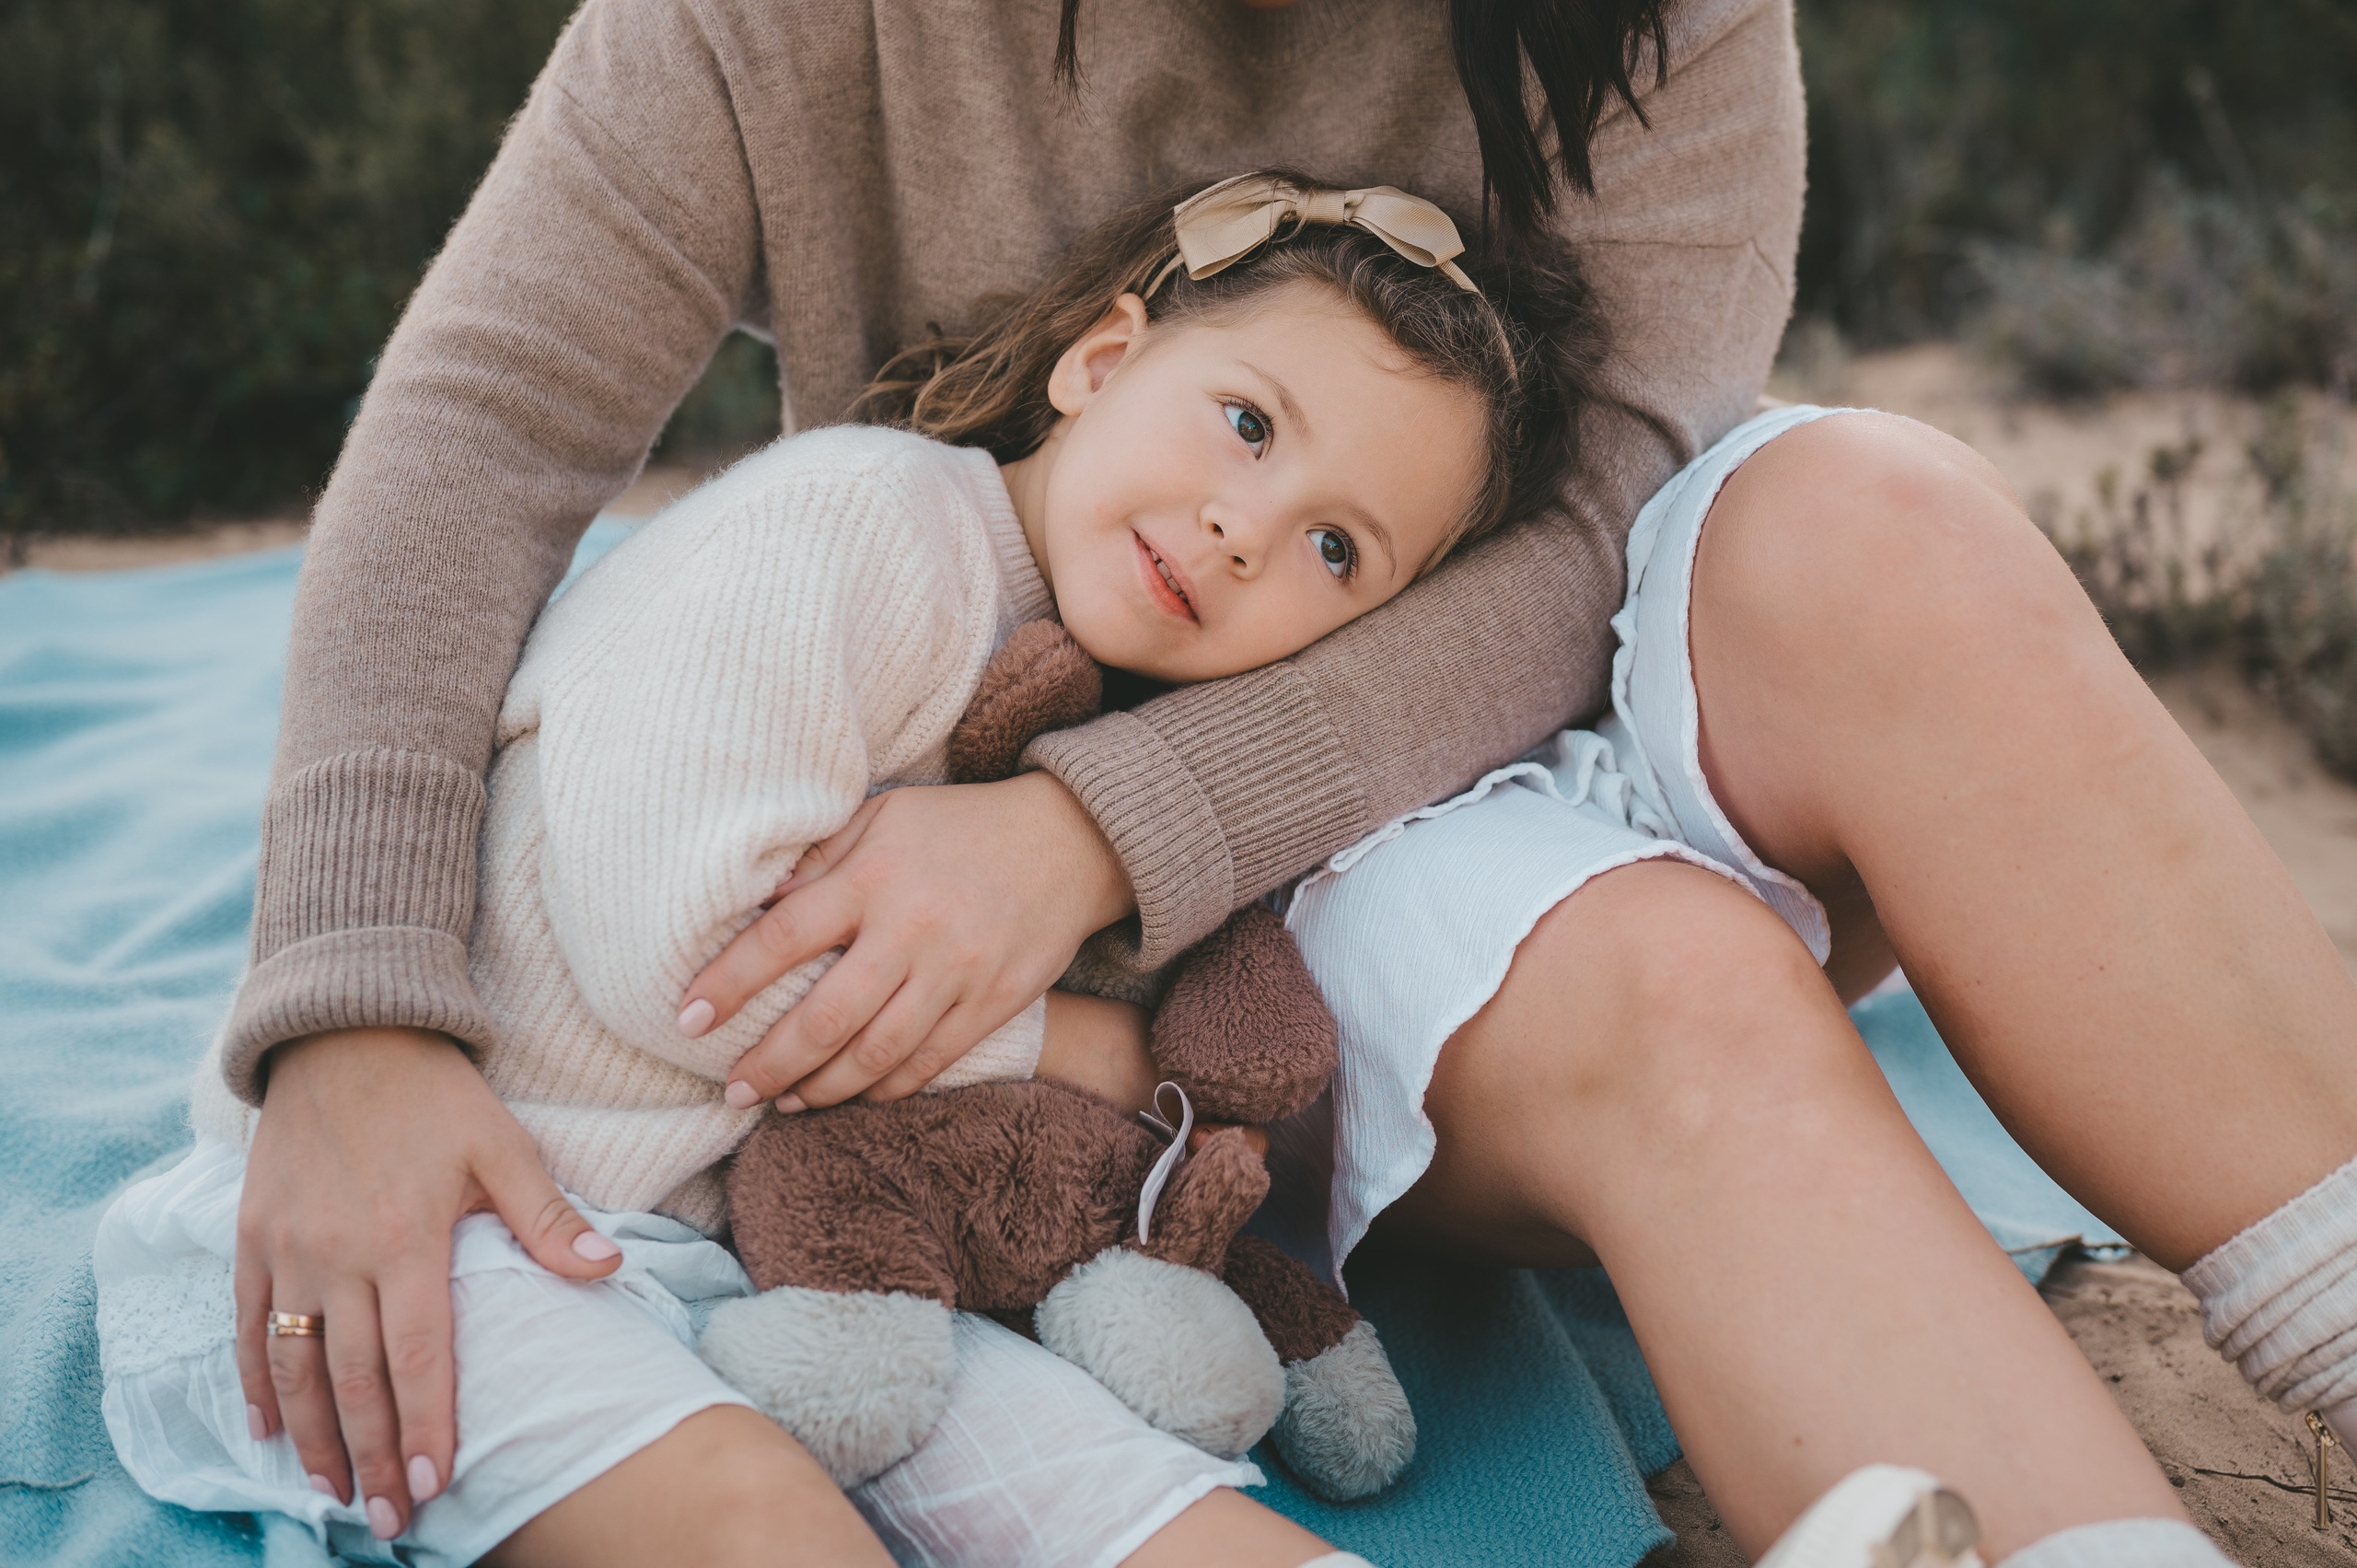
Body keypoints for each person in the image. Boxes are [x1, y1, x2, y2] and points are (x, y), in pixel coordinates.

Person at [203, 0, 2357, 1564]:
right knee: (1664, 983)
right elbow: (482, 425)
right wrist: (357, 998)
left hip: (1443, 695)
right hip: (1259, 908)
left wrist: (1087, 839)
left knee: (1872, 514)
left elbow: (1603, 524)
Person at [98, 174, 1597, 1566]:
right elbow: (689, 958)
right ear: (1100, 361)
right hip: (427, 1217)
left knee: (1147, 1513)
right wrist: (1084, 1052)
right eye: (1249, 426)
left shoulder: (1105, 699)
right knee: (758, 1520)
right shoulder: (863, 529)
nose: (1246, 529)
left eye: (1338, 550)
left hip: (767, 1263)